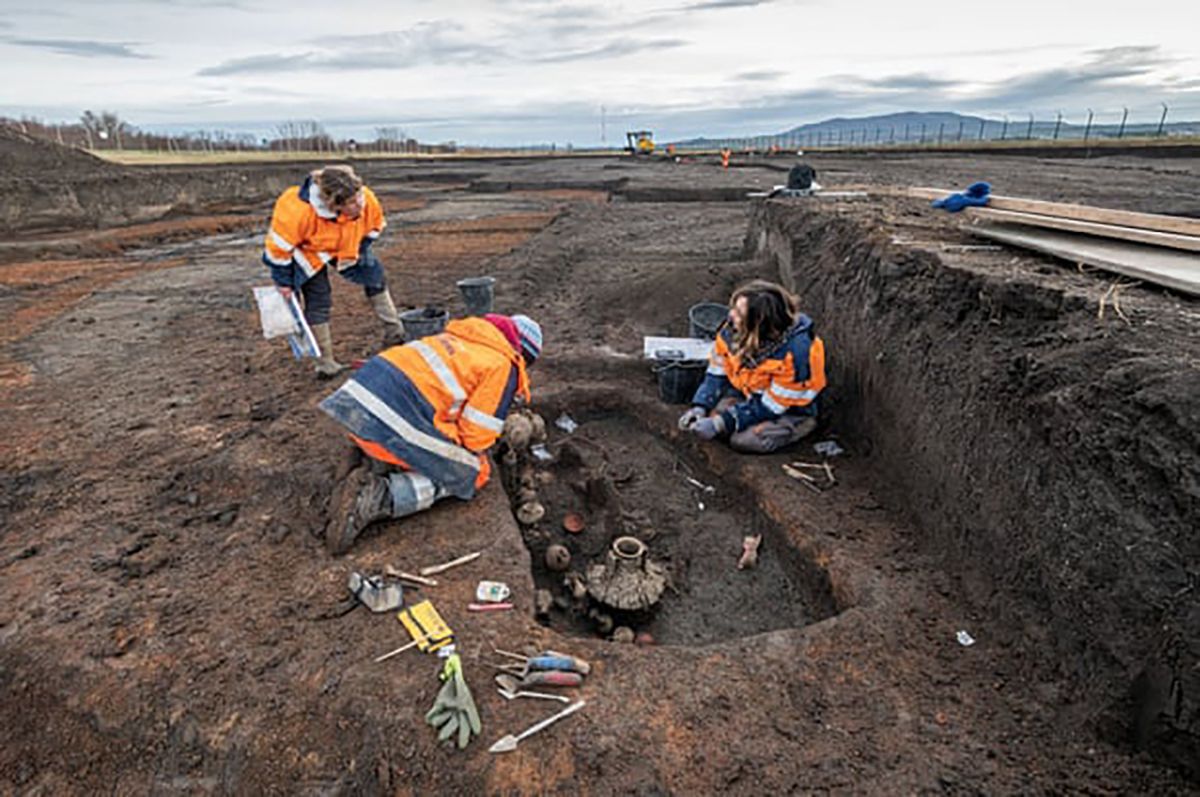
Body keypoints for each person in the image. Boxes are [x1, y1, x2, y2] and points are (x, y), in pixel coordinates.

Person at [319, 312, 543, 554]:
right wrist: (491, 438)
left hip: (360, 407)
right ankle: (376, 497)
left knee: (433, 438)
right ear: (522, 357)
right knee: (474, 471)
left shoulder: (463, 335)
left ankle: (370, 458)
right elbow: (475, 438)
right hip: (388, 417)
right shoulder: (503, 364)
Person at [261, 165, 404, 377]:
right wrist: (283, 283)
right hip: (308, 252)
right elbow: (277, 250)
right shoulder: (297, 210)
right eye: (352, 203)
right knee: (319, 299)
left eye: (358, 197)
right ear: (333, 205)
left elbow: (374, 227)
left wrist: (357, 251)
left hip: (348, 240)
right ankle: (325, 363)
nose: (359, 205)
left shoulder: (366, 200)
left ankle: (397, 335)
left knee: (375, 278)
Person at [679, 280, 826, 453]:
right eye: (734, 308)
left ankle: (800, 427)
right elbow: (716, 373)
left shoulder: (796, 355)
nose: (731, 315)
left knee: (743, 441)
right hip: (751, 395)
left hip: (790, 410)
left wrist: (721, 423)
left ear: (759, 325)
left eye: (739, 313)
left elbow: (771, 406)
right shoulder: (731, 331)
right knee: (714, 417)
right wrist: (701, 406)